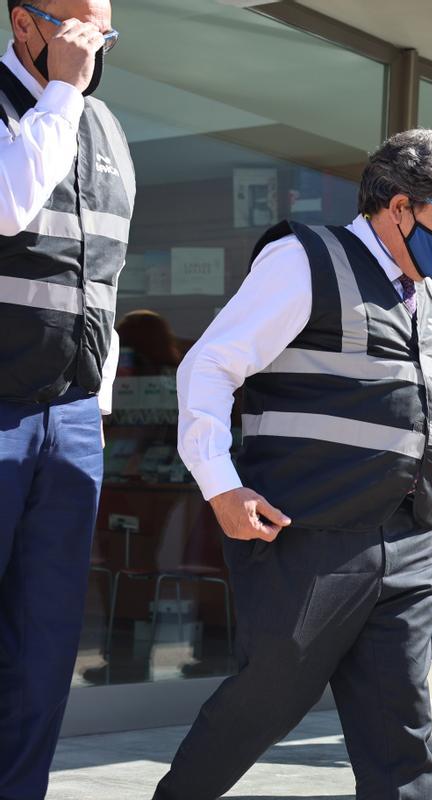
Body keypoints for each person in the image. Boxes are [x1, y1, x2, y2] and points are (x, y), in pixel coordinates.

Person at [155, 129, 432, 800]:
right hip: (309, 538)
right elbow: (210, 366)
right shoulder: (303, 260)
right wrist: (221, 486)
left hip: (410, 542)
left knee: (401, 733)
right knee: (266, 702)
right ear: (399, 207)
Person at [0, 1, 132, 796]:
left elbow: (105, 278)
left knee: (45, 645)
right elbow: (11, 203)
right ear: (24, 25)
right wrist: (62, 94)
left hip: (71, 418)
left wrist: (97, 406)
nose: (94, 44)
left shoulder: (105, 126)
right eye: (77, 24)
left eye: (104, 30)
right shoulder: (49, 105)